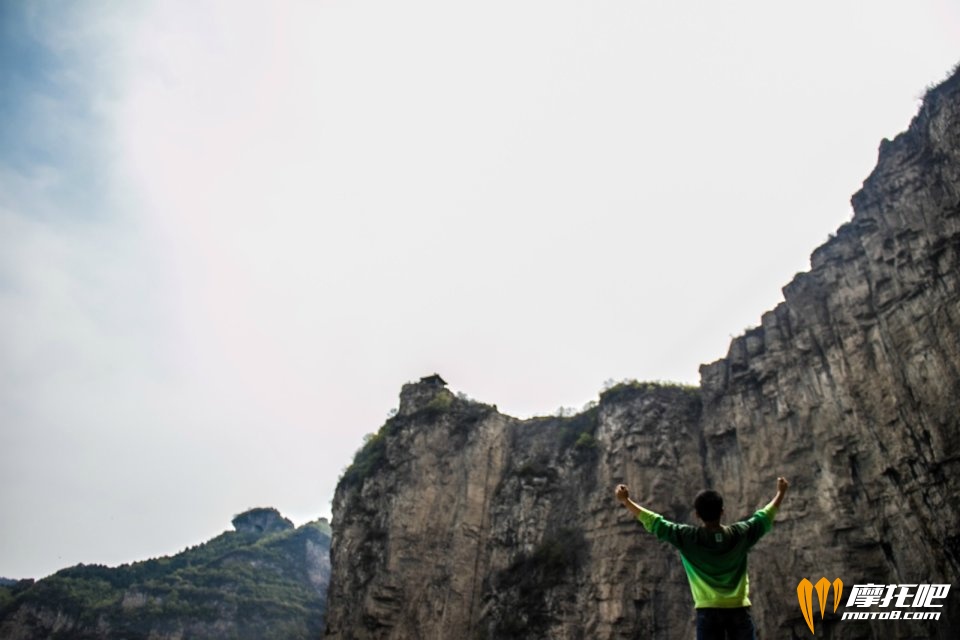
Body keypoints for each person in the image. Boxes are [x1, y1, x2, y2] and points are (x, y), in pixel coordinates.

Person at [615, 477, 789, 640]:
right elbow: (765, 516)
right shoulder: (741, 534)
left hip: (708, 611)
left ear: (697, 514)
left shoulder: (688, 537)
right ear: (722, 512)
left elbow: (654, 522)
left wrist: (626, 501)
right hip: (738, 610)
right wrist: (780, 493)